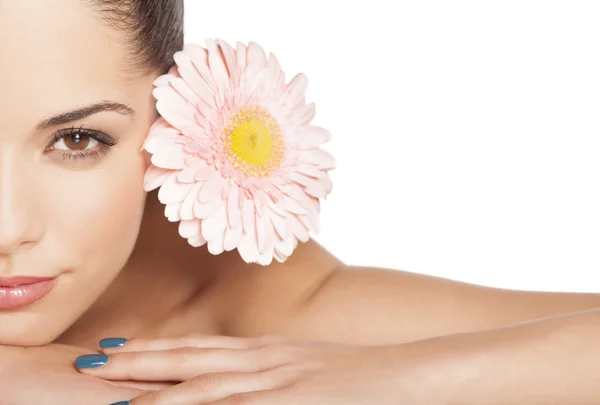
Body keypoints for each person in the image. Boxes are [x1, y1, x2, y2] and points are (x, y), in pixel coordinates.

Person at [1, 0, 600, 403]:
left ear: (171, 121)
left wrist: (400, 377)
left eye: (78, 140)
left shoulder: (240, 306)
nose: (8, 229)